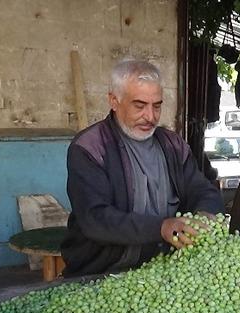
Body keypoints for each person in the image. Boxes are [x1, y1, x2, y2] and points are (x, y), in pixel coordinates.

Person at [61, 59, 224, 275]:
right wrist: (161, 227)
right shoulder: (90, 148)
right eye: (139, 106)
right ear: (114, 101)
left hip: (167, 267)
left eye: (157, 106)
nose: (150, 116)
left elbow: (201, 188)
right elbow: (95, 218)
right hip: (103, 269)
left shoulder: (173, 145)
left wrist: (207, 213)